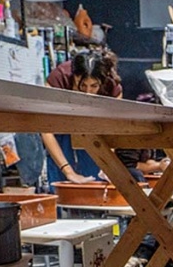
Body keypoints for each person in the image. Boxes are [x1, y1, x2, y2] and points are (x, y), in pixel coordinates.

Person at [42, 51, 122, 185]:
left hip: (94, 129)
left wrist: (107, 165)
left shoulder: (112, 86)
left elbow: (113, 129)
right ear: (74, 77)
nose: (88, 92)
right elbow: (46, 130)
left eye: (94, 86)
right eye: (82, 85)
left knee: (95, 184)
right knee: (62, 188)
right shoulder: (58, 78)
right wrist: (68, 171)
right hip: (62, 126)